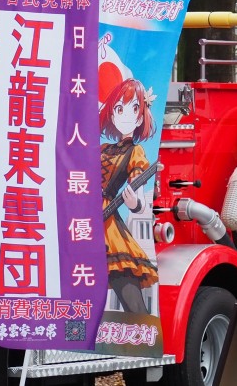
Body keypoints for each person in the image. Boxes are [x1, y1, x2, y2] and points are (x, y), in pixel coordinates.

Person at [99, 74, 159, 316]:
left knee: (129, 294)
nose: (125, 114)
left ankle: (141, 338)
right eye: (119, 107)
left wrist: (135, 203)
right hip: (80, 217)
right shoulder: (101, 148)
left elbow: (138, 191)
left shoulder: (136, 152)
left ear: (140, 114)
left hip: (108, 223)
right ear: (111, 112)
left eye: (134, 107)